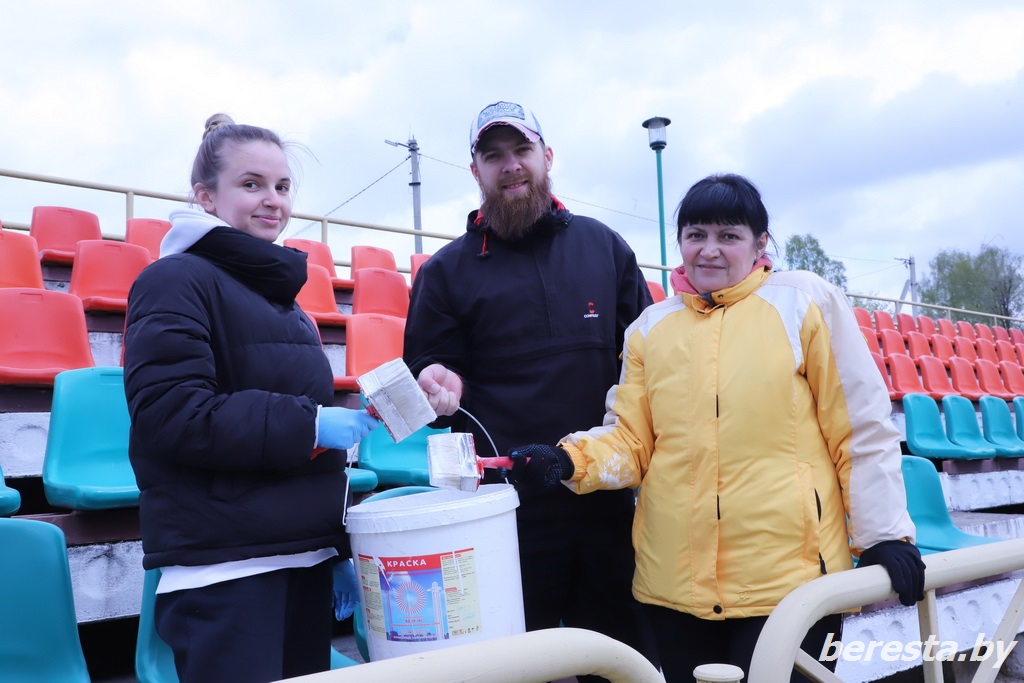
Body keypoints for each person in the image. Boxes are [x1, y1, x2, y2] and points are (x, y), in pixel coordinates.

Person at [506, 173, 925, 682]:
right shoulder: (649, 328)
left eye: (728, 236)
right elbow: (632, 441)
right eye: (695, 234)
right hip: (672, 588)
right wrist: (568, 459)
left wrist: (883, 536)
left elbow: (859, 428)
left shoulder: (803, 302)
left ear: (759, 243)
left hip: (791, 589)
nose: (709, 250)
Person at [403, 101, 659, 679]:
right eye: (493, 156)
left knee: (624, 659)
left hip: (604, 501)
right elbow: (429, 377)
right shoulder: (444, 272)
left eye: (521, 151)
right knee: (519, 665)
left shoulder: (604, 246)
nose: (510, 166)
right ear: (475, 172)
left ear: (547, 156)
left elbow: (649, 364)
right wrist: (435, 386)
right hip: (502, 508)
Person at [123, 113, 378, 683]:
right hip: (223, 571)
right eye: (252, 184)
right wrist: (309, 424)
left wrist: (329, 546)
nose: (273, 200)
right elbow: (172, 414)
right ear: (205, 196)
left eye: (283, 187)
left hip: (300, 557)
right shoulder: (174, 280)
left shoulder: (288, 303)